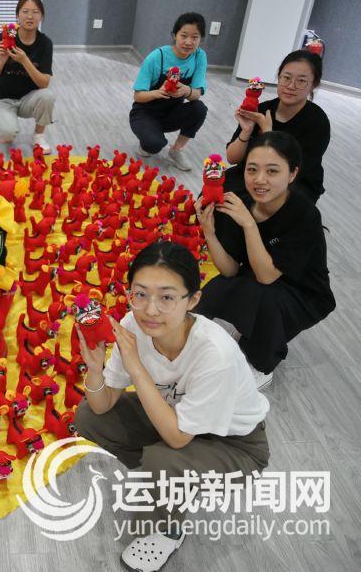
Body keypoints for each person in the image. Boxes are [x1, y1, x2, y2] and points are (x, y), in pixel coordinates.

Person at [74, 241, 270, 572]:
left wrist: (136, 368)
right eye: (140, 294)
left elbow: (178, 438)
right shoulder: (133, 324)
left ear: (192, 300)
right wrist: (94, 369)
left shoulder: (214, 353)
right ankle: (166, 479)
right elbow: (103, 405)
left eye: (166, 297)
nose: (150, 310)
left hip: (235, 444)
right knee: (88, 416)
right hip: (176, 416)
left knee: (165, 458)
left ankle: (168, 529)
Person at [195, 131, 335, 388]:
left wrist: (249, 224)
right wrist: (209, 232)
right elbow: (229, 270)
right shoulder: (241, 203)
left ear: (292, 174)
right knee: (214, 291)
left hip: (304, 293)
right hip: (261, 280)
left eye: (272, 171)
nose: (259, 179)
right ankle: (243, 329)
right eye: (252, 169)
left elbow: (267, 276)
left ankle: (261, 365)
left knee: (264, 297)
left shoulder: (304, 213)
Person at [224, 50, 330, 203]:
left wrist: (268, 134)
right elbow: (232, 158)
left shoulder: (317, 122)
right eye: (286, 78)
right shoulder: (261, 109)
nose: (291, 86)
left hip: (294, 184)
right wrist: (246, 131)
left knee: (253, 206)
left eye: (301, 81)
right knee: (214, 196)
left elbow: (290, 174)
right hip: (253, 174)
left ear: (313, 84)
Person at [129, 12, 208, 172]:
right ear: (174, 35)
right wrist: (158, 92)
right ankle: (147, 141)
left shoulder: (199, 56)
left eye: (195, 37)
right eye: (184, 36)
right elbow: (138, 96)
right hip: (145, 112)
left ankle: (176, 150)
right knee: (154, 144)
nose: (188, 42)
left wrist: (187, 90)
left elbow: (197, 93)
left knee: (199, 108)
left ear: (200, 39)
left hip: (171, 113)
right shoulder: (156, 57)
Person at [0, 0, 54, 154]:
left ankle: (38, 136)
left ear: (41, 17)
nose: (30, 16)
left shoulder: (45, 43)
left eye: (35, 12)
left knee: (48, 96)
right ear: (18, 15)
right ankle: (6, 127)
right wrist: (2, 60)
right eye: (25, 11)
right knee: (7, 134)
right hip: (3, 98)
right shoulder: (4, 38)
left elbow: (44, 83)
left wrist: (24, 60)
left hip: (28, 99)